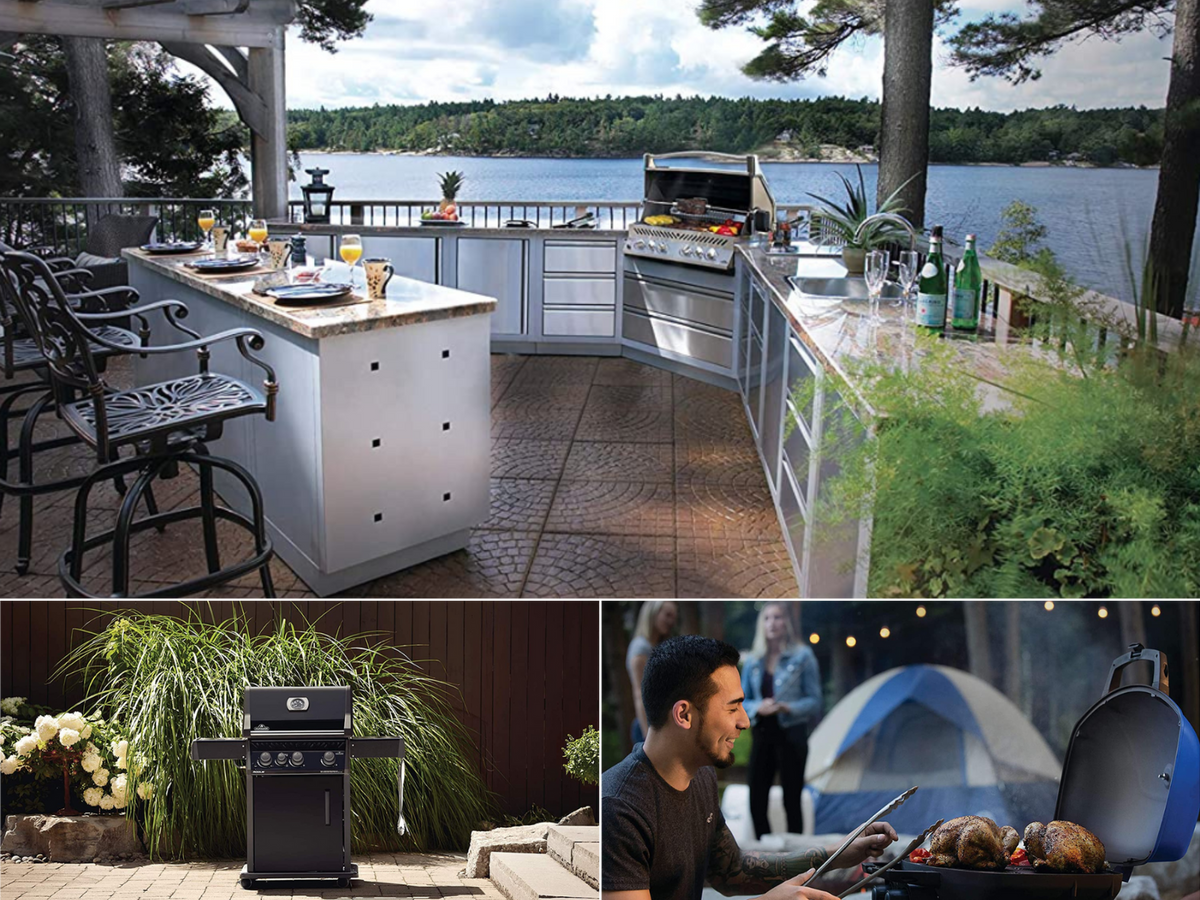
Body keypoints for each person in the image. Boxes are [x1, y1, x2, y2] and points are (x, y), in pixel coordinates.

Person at [602, 635, 897, 900]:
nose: (744, 721)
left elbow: (733, 871)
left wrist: (840, 851)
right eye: (733, 708)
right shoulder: (618, 809)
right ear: (684, 714)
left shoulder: (701, 777)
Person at [742, 602, 822, 838]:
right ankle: (763, 852)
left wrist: (788, 707)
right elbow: (740, 702)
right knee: (756, 798)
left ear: (786, 622)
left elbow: (815, 701)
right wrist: (759, 707)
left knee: (792, 799)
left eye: (777, 617)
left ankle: (795, 857)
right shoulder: (753, 660)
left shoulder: (803, 656)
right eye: (767, 618)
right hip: (763, 732)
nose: (772, 623)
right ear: (761, 624)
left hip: (792, 733)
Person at [627, 600, 678, 746]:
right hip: (649, 727)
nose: (671, 621)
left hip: (662, 725)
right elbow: (640, 694)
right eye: (667, 615)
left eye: (674, 617)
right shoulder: (640, 649)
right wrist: (648, 735)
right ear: (652, 614)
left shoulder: (657, 647)